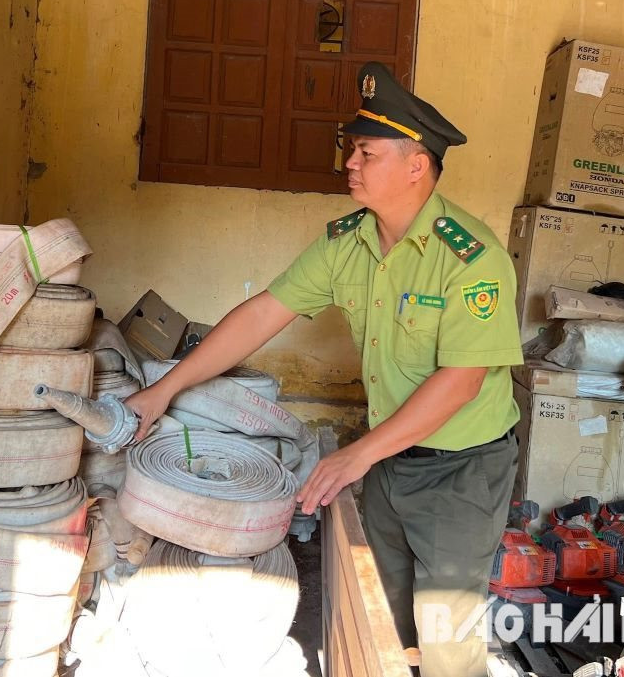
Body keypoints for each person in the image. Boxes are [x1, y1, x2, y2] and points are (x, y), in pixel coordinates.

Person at [125, 62, 523, 677]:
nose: (350, 164)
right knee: (383, 621)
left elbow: (461, 382)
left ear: (416, 165)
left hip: (462, 473)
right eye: (351, 150)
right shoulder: (349, 242)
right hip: (391, 459)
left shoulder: (471, 259)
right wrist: (164, 389)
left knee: (447, 641)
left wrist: (356, 455)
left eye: (366, 152)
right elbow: (262, 315)